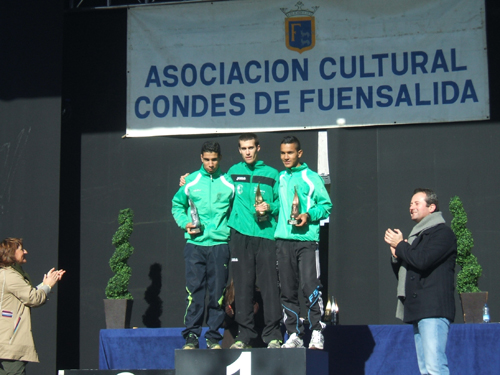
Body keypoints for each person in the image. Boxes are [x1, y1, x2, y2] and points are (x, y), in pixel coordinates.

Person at [181, 133, 283, 349]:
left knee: (270, 288)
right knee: (243, 288)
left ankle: (274, 334)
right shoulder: (232, 175)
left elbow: (281, 205)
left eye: (251, 147)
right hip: (239, 236)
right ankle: (244, 335)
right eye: (243, 148)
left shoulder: (273, 174)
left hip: (265, 236)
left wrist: (270, 208)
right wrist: (186, 180)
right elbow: (212, 179)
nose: (247, 152)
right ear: (239, 150)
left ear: (258, 148)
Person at [384, 188, 457, 375]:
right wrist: (398, 256)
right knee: (425, 369)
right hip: (419, 309)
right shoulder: (418, 236)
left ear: (431, 207)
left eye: (416, 203)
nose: (411, 207)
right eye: (410, 204)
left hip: (433, 309)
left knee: (435, 366)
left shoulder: (443, 233)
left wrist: (401, 246)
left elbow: (422, 261)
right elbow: (409, 272)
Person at [172, 141, 234, 350]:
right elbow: (177, 205)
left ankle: (214, 337)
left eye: (214, 159)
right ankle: (191, 336)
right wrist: (184, 223)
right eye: (207, 159)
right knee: (195, 292)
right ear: (201, 158)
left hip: (219, 244)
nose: (210, 164)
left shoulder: (228, 182)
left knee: (218, 293)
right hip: (195, 245)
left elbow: (237, 210)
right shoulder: (190, 181)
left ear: (220, 158)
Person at [275, 135, 332, 350]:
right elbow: (274, 205)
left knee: (310, 286)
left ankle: (316, 331)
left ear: (299, 153)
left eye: (290, 153)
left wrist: (308, 215)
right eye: (282, 153)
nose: (286, 157)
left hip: (307, 241)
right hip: (282, 241)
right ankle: (293, 334)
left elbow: (326, 205)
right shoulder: (279, 177)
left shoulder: (311, 177)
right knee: (287, 290)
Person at [0, 238, 65, 375]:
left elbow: (27, 294)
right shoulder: (10, 275)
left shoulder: (11, 274)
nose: (25, 251)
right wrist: (48, 285)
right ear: (11, 253)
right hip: (9, 345)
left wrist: (45, 284)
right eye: (21, 249)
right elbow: (33, 298)